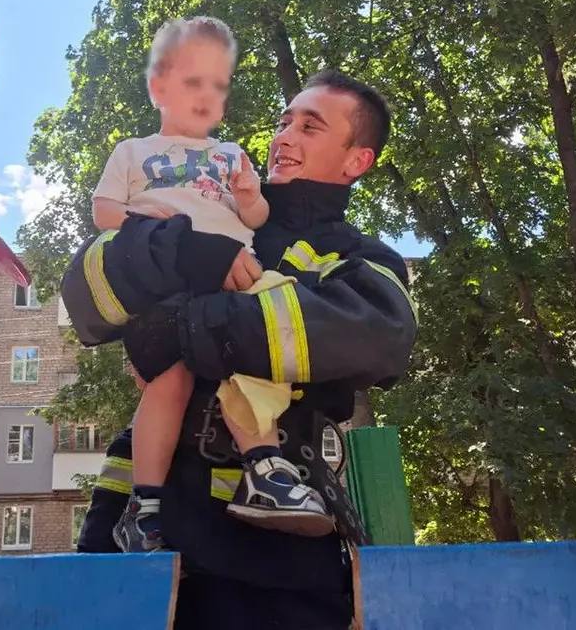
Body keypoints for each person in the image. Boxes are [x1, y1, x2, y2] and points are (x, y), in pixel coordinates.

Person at [61, 69, 418, 628]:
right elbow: (85, 296)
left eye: (310, 127)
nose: (284, 136)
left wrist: (189, 327)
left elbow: (379, 335)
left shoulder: (359, 257)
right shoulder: (207, 211)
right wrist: (180, 250)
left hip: (274, 550)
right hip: (135, 525)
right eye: (284, 122)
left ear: (356, 160)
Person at [90, 16, 333, 553]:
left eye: (218, 85)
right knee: (169, 382)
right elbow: (104, 213)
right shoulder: (132, 151)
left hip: (236, 284)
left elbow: (256, 218)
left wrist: (248, 195)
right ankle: (144, 505)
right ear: (158, 87)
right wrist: (148, 225)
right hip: (169, 290)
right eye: (192, 81)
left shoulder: (230, 155)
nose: (206, 96)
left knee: (255, 356)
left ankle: (265, 468)